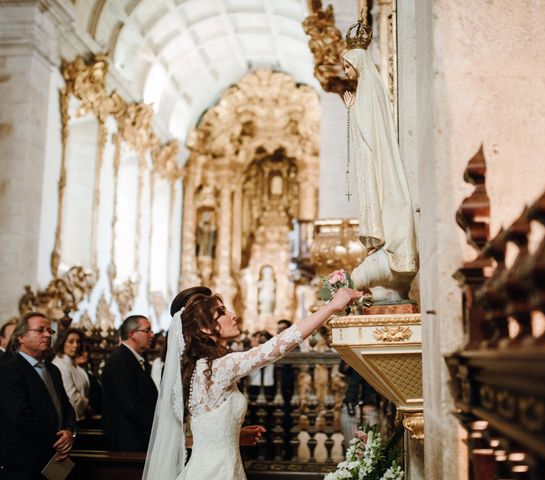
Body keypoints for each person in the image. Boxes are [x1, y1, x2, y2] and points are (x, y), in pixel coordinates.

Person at [142, 285, 362, 480]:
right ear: (205, 329)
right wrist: (331, 307)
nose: (233, 315)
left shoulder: (201, 368)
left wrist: (231, 434)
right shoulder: (217, 367)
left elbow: (193, 436)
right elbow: (276, 347)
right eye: (221, 313)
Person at [342, 46, 418, 302]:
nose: (345, 72)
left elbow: (368, 128)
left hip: (374, 158)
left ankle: (383, 246)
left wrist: (352, 109)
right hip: (370, 158)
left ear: (358, 64)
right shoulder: (364, 90)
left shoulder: (369, 89)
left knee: (380, 196)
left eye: (347, 66)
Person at [0, 312, 76, 479]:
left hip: (54, 457)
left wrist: (70, 431)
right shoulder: (9, 370)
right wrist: (58, 441)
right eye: (41, 330)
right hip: (24, 462)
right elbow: (21, 416)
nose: (48, 335)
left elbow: (66, 406)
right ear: (21, 338)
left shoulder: (53, 370)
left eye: (50, 331)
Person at [102, 315, 158, 451]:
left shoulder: (134, 359)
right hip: (128, 441)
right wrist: (159, 426)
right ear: (132, 333)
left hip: (138, 437)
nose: (152, 335)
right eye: (147, 330)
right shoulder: (120, 360)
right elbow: (131, 406)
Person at [51, 328, 92, 422]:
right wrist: (86, 406)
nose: (75, 345)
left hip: (81, 418)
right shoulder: (60, 365)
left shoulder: (73, 365)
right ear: (62, 343)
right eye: (71, 341)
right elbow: (71, 396)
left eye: (78, 342)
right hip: (71, 420)